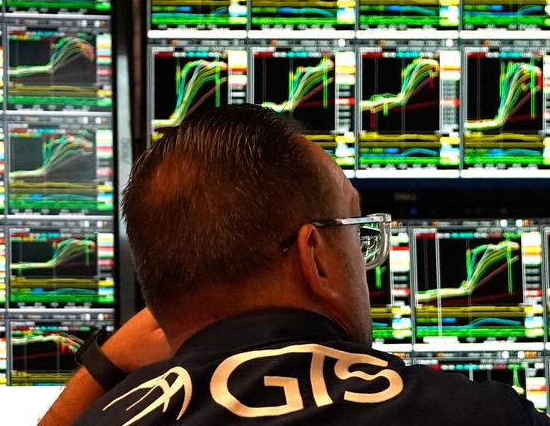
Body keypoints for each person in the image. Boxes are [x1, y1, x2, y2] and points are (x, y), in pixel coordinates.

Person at [40, 105, 550, 425]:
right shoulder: (478, 415)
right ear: (314, 257)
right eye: (354, 233)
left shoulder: (111, 417)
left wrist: (102, 368)